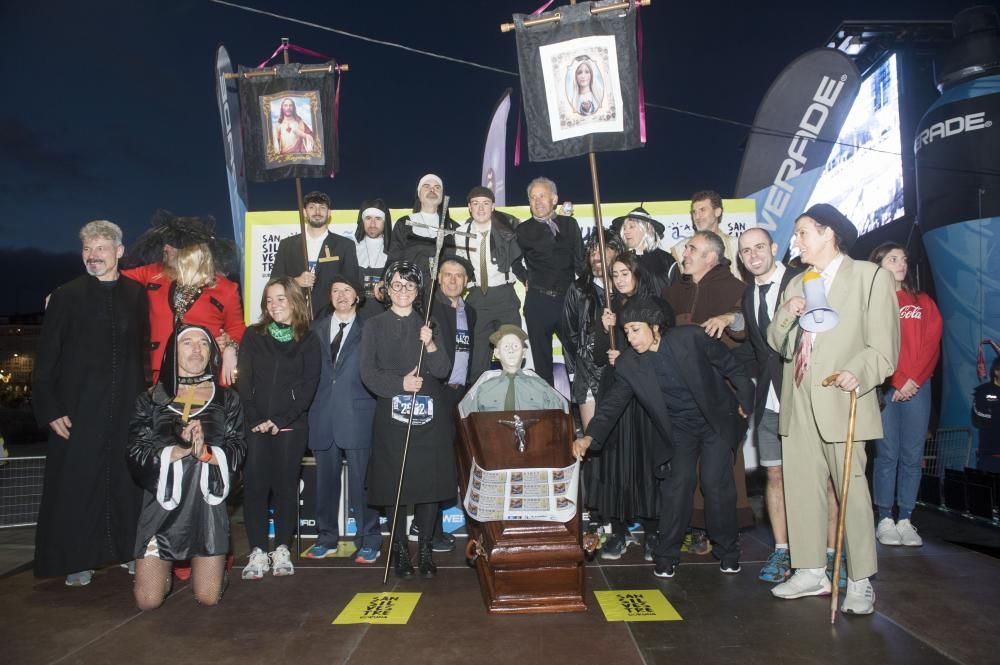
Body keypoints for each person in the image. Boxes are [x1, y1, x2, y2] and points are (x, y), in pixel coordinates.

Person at [768, 203, 899, 615]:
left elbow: (884, 348)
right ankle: (809, 570)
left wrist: (857, 372)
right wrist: (789, 316)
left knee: (851, 491)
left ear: (829, 234)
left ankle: (860, 580)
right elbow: (776, 341)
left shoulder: (869, 277)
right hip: (798, 397)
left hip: (844, 398)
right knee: (801, 488)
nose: (797, 241)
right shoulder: (796, 283)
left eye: (804, 232)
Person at [572, 297, 754, 579]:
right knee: (676, 486)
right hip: (678, 429)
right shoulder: (630, 364)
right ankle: (666, 556)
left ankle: (728, 552)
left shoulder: (691, 338)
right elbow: (612, 406)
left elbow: (731, 365)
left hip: (714, 421)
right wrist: (589, 437)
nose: (630, 338)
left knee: (714, 483)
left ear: (655, 327)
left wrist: (745, 399)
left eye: (635, 330)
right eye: (627, 331)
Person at [33, 220, 148, 587]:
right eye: (87, 248)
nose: (93, 255)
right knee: (76, 486)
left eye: (101, 248)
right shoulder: (66, 295)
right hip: (78, 411)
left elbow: (143, 352)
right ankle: (77, 559)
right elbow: (47, 357)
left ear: (119, 252)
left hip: (126, 409)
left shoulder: (136, 294)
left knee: (127, 483)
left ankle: (131, 552)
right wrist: (49, 408)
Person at [128, 325, 246, 609]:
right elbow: (135, 451)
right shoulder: (150, 399)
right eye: (187, 343)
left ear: (211, 353)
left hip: (206, 508)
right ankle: (161, 576)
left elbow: (238, 448)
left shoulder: (228, 399)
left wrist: (205, 453)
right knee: (148, 601)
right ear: (173, 351)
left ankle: (218, 577)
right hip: (162, 508)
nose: (196, 349)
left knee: (207, 597)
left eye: (203, 344)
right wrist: (180, 450)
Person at [361, 261, 454, 579]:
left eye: (410, 286)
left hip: (429, 414)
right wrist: (399, 384)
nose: (403, 291)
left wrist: (430, 343)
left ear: (418, 292)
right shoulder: (374, 325)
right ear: (387, 289)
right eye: (397, 285)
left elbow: (442, 370)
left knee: (428, 484)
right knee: (393, 485)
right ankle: (400, 548)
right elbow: (367, 373)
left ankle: (425, 548)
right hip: (392, 413)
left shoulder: (429, 323)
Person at [664, 229, 752, 552]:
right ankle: (695, 526)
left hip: (721, 394)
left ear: (710, 258)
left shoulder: (736, 289)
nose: (684, 253)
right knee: (687, 468)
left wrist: (731, 317)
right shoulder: (675, 291)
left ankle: (725, 530)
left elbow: (748, 328)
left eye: (691, 249)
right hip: (682, 396)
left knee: (720, 470)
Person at [236, 277, 321, 579]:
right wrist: (256, 416)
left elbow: (309, 385)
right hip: (256, 425)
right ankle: (258, 551)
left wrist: (282, 419)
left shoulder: (308, 339)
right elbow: (244, 380)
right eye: (269, 300)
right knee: (256, 489)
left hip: (291, 426)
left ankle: (283, 548)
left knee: (285, 488)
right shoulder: (253, 335)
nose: (274, 305)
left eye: (281, 299)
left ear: (294, 301)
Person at [594, 253, 675, 560]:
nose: (620, 279)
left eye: (625, 273)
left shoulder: (656, 305)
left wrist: (627, 356)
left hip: (646, 395)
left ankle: (653, 532)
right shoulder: (610, 309)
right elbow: (600, 355)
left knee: (647, 460)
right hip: (616, 391)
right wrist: (605, 332)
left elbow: (663, 348)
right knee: (615, 462)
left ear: (638, 274)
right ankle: (617, 531)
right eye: (615, 275)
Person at [869, 242, 942, 547]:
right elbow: (872, 345)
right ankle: (885, 517)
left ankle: (905, 518)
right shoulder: (872, 303)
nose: (901, 264)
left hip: (918, 386)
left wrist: (913, 379)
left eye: (903, 259)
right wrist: (897, 381)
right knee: (887, 454)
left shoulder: (922, 301)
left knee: (912, 455)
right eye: (893, 259)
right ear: (879, 265)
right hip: (887, 387)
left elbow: (931, 343)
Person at [307, 274, 382, 563]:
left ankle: (369, 538)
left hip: (358, 415)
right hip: (323, 415)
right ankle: (326, 537)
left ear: (357, 296)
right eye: (335, 290)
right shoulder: (315, 329)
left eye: (346, 290)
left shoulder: (370, 329)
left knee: (362, 483)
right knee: (324, 483)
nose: (340, 295)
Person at [121, 212, 245, 385]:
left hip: (208, 372)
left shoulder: (226, 289)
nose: (165, 248)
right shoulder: (152, 274)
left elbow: (237, 328)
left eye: (172, 244)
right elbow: (115, 277)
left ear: (190, 251)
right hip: (161, 374)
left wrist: (231, 348)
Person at [419, 255, 478, 553]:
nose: (453, 280)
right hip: (436, 392)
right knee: (434, 464)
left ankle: (437, 526)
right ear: (438, 278)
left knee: (454, 463)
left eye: (459, 275)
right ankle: (430, 530)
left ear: (466, 281)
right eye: (447, 274)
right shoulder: (429, 307)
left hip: (460, 395)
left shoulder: (472, 312)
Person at [512, 177, 585, 386]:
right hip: (538, 302)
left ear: (554, 198)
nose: (537, 201)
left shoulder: (570, 224)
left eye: (542, 196)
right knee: (542, 364)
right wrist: (526, 279)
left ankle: (582, 408)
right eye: (532, 198)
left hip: (568, 301)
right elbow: (515, 263)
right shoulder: (523, 230)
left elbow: (580, 261)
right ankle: (549, 411)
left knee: (578, 356)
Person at [455, 186, 523, 382]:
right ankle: (480, 407)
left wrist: (529, 281)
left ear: (493, 206)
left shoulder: (509, 228)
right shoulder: (460, 233)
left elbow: (522, 260)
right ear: (469, 207)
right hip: (476, 297)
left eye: (485, 203)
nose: (481, 208)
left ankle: (514, 403)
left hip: (505, 296)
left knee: (512, 353)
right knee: (477, 359)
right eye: (475, 204)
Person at [564, 231, 624, 430]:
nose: (596, 255)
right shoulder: (578, 289)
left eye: (603, 248)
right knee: (592, 437)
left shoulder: (626, 288)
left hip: (621, 370)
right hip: (587, 372)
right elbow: (570, 334)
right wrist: (574, 372)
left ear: (617, 252)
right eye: (592, 250)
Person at [271, 190, 361, 319]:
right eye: (312, 207)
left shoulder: (344, 245)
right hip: (293, 316)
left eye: (322, 207)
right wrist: (295, 281)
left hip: (329, 317)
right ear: (304, 212)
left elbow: (351, 284)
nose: (317, 212)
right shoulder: (287, 245)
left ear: (329, 212)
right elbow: (274, 283)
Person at [470, 325, 566, 411]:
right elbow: (466, 422)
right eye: (506, 346)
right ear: (497, 353)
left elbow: (559, 418)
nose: (511, 350)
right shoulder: (483, 388)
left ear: (524, 352)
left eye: (515, 346)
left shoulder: (541, 386)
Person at [389, 174, 459, 286]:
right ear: (419, 193)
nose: (432, 190)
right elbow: (393, 259)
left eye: (437, 187)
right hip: (410, 290)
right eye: (426, 186)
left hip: (444, 292)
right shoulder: (404, 224)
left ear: (442, 195)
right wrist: (385, 281)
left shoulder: (453, 227)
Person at [670, 191, 741, 280]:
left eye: (702, 210)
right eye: (694, 212)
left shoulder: (737, 245)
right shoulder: (680, 249)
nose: (697, 216)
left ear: (717, 212)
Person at [611, 206, 675, 294]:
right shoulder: (621, 261)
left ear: (647, 229)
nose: (626, 231)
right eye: (624, 228)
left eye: (631, 226)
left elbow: (678, 293)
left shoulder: (667, 259)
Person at [354, 198, 392, 319]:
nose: (373, 224)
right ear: (362, 221)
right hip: (357, 319)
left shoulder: (395, 252)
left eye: (378, 219)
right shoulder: (351, 249)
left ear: (384, 222)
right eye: (368, 218)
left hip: (386, 319)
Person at [973, 356, 1000, 473]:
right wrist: (995, 416)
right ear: (997, 371)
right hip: (990, 455)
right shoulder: (984, 391)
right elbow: (977, 416)